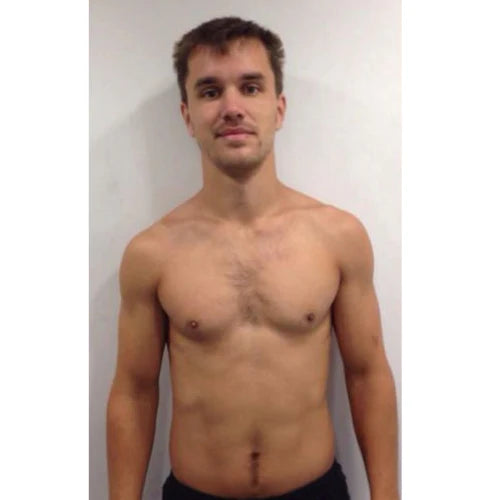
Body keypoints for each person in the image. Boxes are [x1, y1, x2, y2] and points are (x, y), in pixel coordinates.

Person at [106, 16, 399, 500]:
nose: (232, 107)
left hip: (315, 491)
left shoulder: (338, 237)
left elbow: (368, 375)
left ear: (278, 108)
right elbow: (134, 392)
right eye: (210, 91)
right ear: (187, 116)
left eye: (250, 87)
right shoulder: (152, 253)